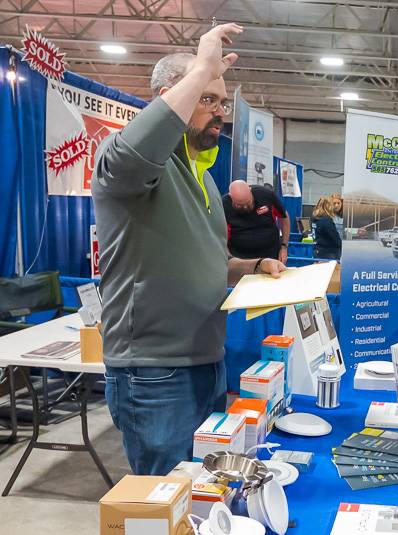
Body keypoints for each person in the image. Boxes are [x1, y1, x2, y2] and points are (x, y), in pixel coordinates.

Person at [91, 24, 286, 476]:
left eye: (221, 102)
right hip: (154, 373)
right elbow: (131, 155)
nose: (218, 112)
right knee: (166, 498)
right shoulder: (125, 164)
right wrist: (201, 67)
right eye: (206, 98)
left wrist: (253, 266)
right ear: (168, 96)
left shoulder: (203, 177)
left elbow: (213, 262)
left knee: (202, 490)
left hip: (205, 361)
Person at [223, 179, 290, 264]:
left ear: (250, 190)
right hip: (240, 260)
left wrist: (284, 247)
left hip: (270, 255)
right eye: (239, 205)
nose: (245, 207)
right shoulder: (224, 206)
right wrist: (229, 259)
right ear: (231, 197)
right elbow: (221, 237)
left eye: (248, 203)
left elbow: (284, 217)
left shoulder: (266, 195)